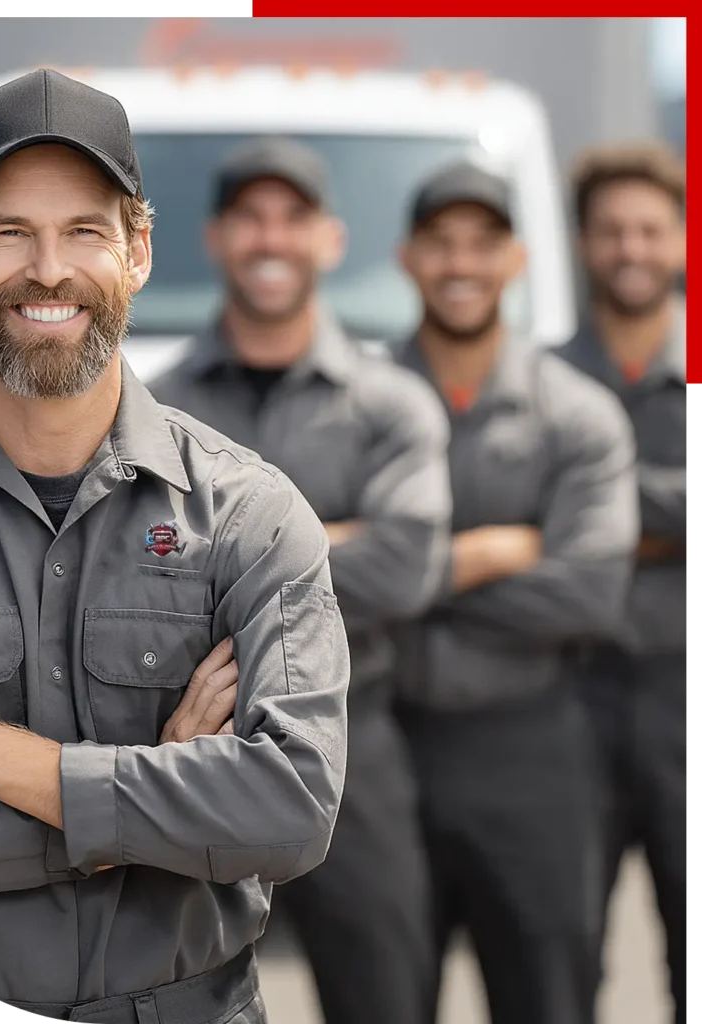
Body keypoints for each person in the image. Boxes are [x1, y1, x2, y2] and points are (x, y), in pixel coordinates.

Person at [0, 70, 350, 1023]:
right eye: (8, 233)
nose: (48, 270)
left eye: (84, 230)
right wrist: (134, 818)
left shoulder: (249, 515)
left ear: (139, 252)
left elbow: (292, 804)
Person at [149, 136, 452, 1024]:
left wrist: (219, 560)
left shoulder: (389, 402)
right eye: (249, 217)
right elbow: (133, 574)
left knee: (385, 997)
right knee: (178, 1001)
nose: (269, 239)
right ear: (214, 237)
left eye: (291, 218)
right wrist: (329, 537)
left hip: (356, 752)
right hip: (193, 751)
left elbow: (403, 570)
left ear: (329, 239)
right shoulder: (156, 409)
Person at [392, 161, 640, 1024]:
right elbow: (310, 576)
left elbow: (590, 594)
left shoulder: (574, 415)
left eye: (481, 243)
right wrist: (487, 556)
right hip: (388, 749)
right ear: (406, 257)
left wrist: (402, 577)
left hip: (531, 753)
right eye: (440, 243)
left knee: (548, 1001)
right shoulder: (359, 406)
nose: (460, 263)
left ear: (517, 259)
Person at [556, 144, 688, 1024]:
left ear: (681, 241)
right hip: (568, 710)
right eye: (610, 232)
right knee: (557, 964)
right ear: (581, 243)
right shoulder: (543, 380)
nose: (629, 249)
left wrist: (588, 511)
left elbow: (553, 520)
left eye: (648, 230)